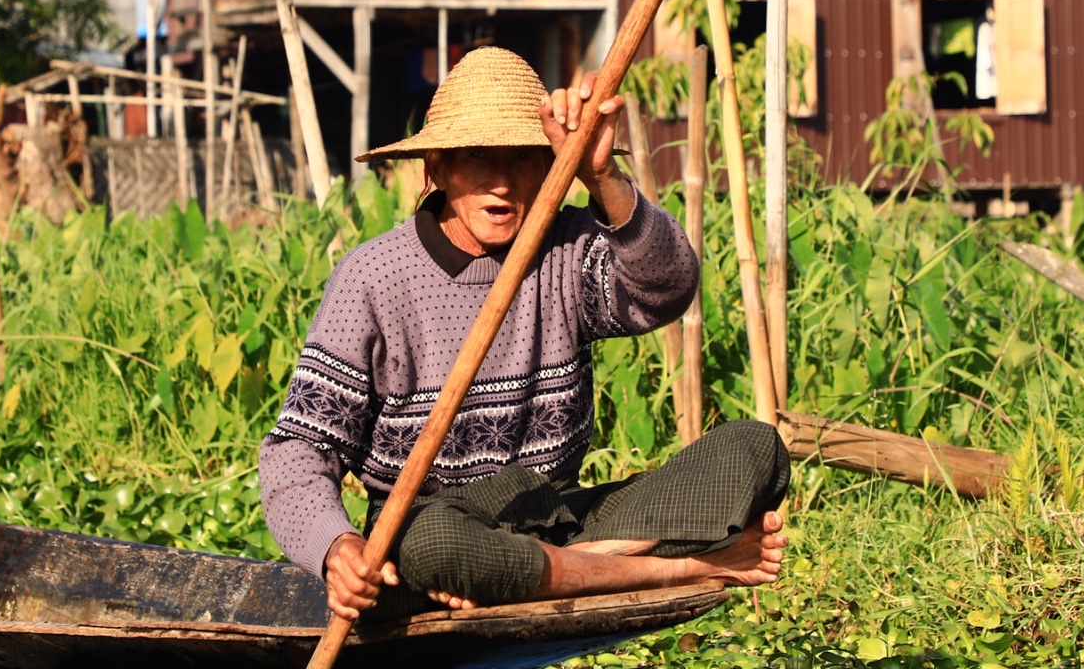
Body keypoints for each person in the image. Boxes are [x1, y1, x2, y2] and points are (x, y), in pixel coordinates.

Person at [261, 47, 787, 621]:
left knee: (755, 449)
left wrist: (603, 176)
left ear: (548, 166)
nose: (503, 182)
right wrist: (338, 550)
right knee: (430, 542)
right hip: (433, 540)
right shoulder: (375, 278)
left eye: (523, 158)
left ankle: (542, 574)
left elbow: (668, 289)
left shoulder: (567, 247)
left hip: (561, 520)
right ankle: (681, 568)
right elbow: (298, 452)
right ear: (436, 166)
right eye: (478, 157)